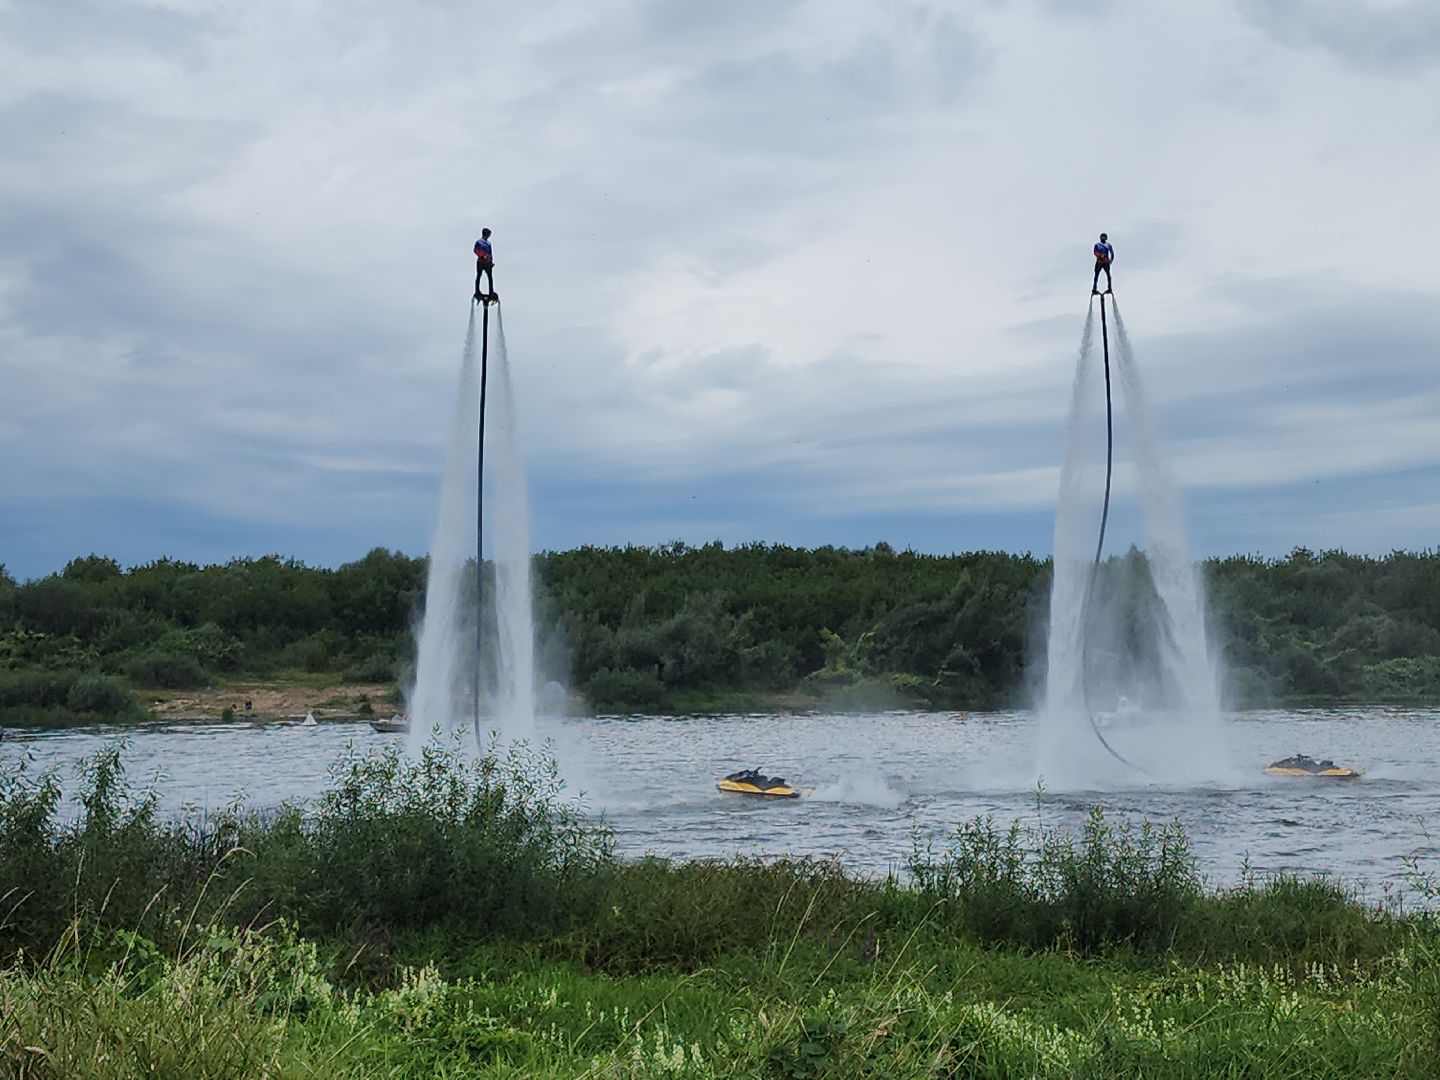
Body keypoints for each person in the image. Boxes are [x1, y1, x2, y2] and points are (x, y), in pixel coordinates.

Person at [474, 228, 495, 301]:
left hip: (488, 262)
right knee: (479, 276)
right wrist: (482, 256)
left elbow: (490, 253)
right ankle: (477, 290)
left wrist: (491, 262)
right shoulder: (479, 242)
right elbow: (476, 250)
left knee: (490, 277)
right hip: (481, 261)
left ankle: (491, 291)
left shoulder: (488, 243)